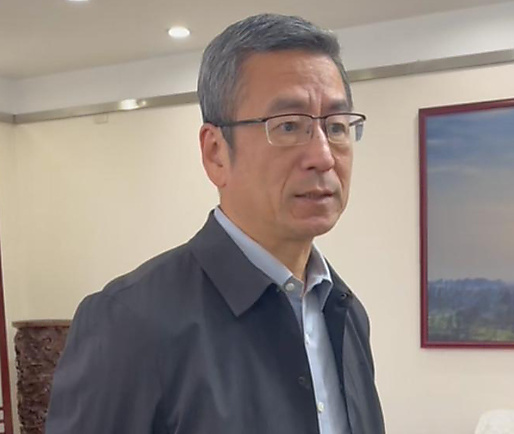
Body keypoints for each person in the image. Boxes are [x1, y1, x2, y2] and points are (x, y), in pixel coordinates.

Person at [45, 13, 385, 434]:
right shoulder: (130, 322)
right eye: (288, 126)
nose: (323, 156)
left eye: (336, 126)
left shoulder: (345, 312)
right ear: (216, 153)